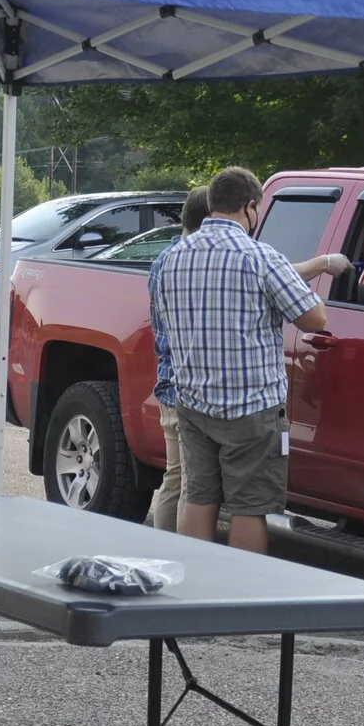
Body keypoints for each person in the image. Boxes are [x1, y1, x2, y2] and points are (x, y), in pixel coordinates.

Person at [149, 167, 350, 553]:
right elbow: (314, 318)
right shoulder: (261, 257)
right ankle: (240, 592)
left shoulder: (172, 259)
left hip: (192, 401)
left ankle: (195, 582)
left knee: (199, 496)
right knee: (249, 507)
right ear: (250, 207)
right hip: (251, 406)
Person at [144, 189, 212, 530]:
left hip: (168, 380)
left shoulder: (164, 259)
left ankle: (162, 546)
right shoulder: (189, 261)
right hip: (185, 386)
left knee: (176, 475)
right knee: (189, 481)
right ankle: (178, 554)